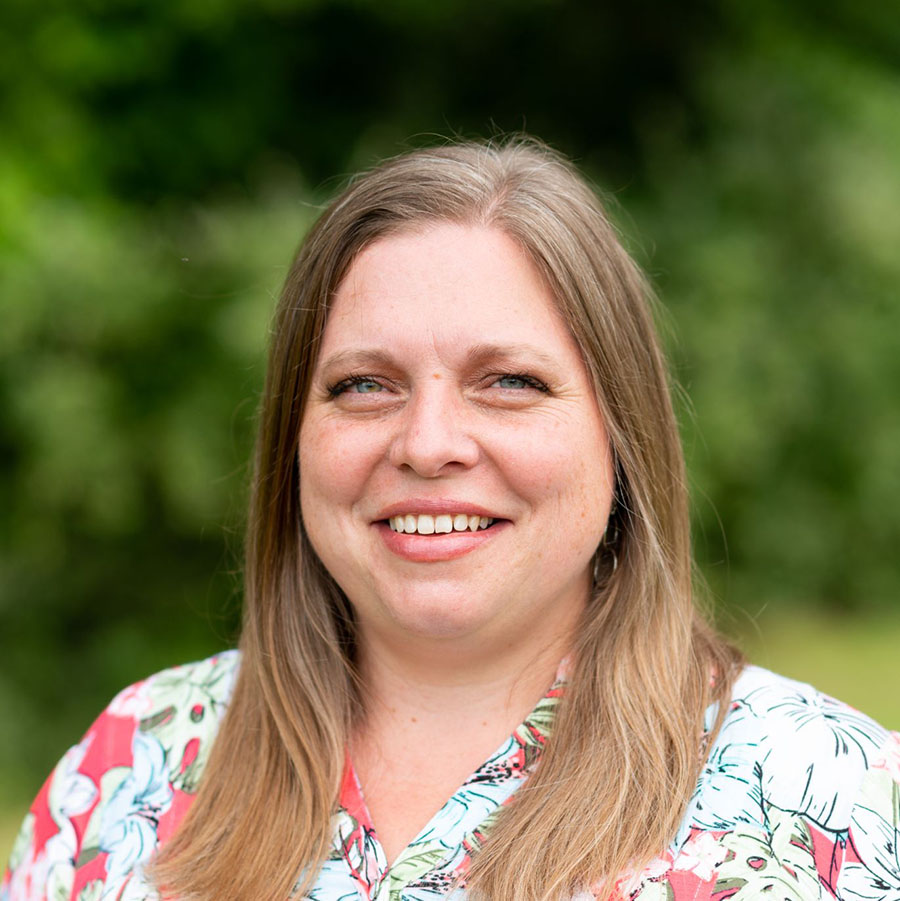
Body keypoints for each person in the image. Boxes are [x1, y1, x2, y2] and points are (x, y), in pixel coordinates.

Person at [3, 137, 898, 901]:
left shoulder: (833, 805)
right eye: (364, 385)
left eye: (508, 382)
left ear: (621, 433)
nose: (428, 444)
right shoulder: (132, 766)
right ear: (294, 437)